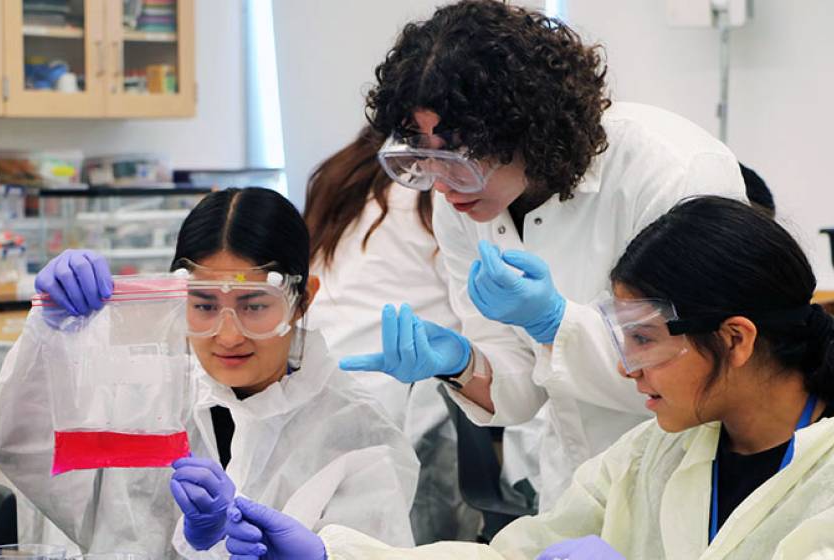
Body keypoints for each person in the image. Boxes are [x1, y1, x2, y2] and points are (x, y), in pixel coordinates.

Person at [216, 196, 834, 559]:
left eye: (643, 339)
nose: (625, 366)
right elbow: (511, 557)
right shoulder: (652, 455)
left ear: (735, 338)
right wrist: (333, 554)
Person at [338, 0, 748, 510]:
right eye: (423, 154)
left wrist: (555, 324)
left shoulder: (670, 173)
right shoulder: (463, 207)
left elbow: (701, 371)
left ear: (526, 124)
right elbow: (519, 392)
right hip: (573, 483)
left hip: (690, 474)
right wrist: (464, 363)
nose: (440, 183)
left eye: (457, 155)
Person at [0, 187, 419, 558]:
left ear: (303, 300)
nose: (227, 336)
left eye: (255, 306)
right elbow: (11, 437)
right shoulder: (146, 400)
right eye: (204, 305)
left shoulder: (360, 435)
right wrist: (48, 329)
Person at [303, 125, 480, 542]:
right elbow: (480, 320)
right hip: (403, 415)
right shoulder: (436, 196)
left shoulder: (338, 175)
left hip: (321, 397)